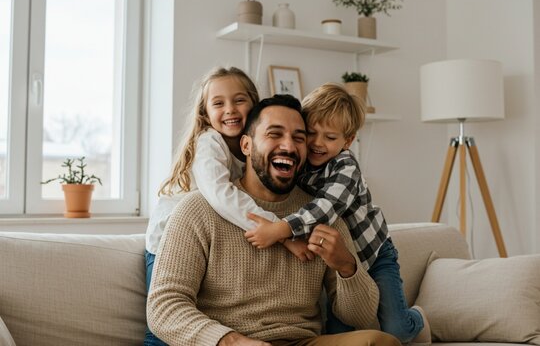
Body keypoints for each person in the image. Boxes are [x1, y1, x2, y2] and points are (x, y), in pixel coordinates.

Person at [147, 95, 401, 346]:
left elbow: (361, 317)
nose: (289, 146)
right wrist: (231, 341)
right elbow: (164, 306)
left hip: (302, 341)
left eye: (299, 138)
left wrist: (347, 266)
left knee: (380, 342)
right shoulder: (197, 210)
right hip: (228, 342)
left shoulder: (322, 214)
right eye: (274, 134)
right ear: (246, 145)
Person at [244, 84, 431, 345]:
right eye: (311, 133)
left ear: (348, 140)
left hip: (374, 254)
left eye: (330, 138)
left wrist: (281, 230)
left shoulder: (346, 167)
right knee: (336, 333)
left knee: (397, 330)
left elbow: (325, 208)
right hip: (339, 264)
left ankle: (417, 319)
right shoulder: (301, 163)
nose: (318, 143)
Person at [143, 67, 313, 345]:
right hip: (166, 240)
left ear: (254, 105)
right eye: (218, 103)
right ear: (205, 113)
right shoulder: (210, 142)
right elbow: (221, 195)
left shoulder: (248, 149)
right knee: (162, 325)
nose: (230, 110)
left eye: (239, 100)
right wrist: (281, 231)